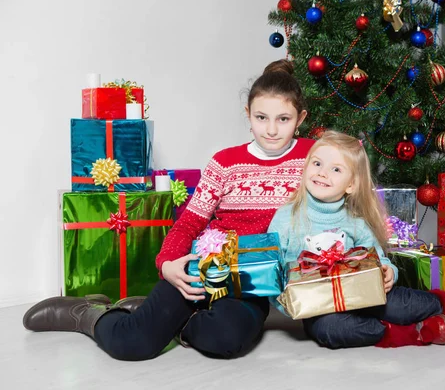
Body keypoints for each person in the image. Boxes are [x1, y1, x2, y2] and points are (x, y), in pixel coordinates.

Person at [23, 59, 315, 360]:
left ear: (301, 118)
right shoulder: (226, 162)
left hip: (251, 283)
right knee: (132, 344)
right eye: (261, 117)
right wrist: (167, 264)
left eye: (283, 119)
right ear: (248, 114)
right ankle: (87, 313)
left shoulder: (312, 158)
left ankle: (171, 320)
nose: (270, 129)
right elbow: (190, 222)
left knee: (226, 339)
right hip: (205, 266)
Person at [268, 131, 445, 349]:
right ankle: (412, 332)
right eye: (316, 163)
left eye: (335, 169)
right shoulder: (286, 218)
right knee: (330, 330)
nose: (322, 172)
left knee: (401, 304)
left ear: (351, 185)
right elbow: (272, 272)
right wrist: (288, 305)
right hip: (322, 308)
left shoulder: (354, 222)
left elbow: (377, 257)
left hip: (366, 295)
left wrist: (388, 271)